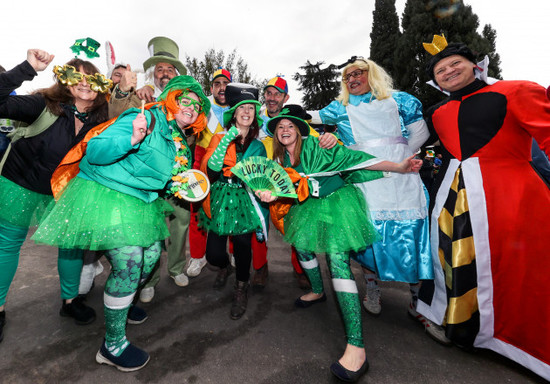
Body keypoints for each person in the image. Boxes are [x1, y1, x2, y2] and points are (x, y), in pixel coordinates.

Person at [32, 76, 210, 371]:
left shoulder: (178, 139)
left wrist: (177, 186)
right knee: (130, 262)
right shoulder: (146, 117)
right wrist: (132, 138)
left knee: (152, 256)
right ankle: (112, 345)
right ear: (172, 99)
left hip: (141, 201)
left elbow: (163, 179)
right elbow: (97, 150)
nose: (191, 106)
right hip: (108, 193)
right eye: (185, 99)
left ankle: (121, 306)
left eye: (197, 104)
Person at [257, 105, 422, 383]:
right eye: (279, 127)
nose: (284, 130)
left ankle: (356, 346)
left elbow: (355, 159)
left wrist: (399, 166)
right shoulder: (281, 158)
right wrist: (269, 194)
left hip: (338, 205)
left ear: (299, 129)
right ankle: (318, 291)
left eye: (289, 125)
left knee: (337, 260)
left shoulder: (319, 145)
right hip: (309, 206)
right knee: (302, 245)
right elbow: (282, 187)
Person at [417, 34, 550, 380]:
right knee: (456, 261)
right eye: (441, 69)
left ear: (476, 66)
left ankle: (516, 340)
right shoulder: (438, 112)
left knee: (519, 270)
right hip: (454, 199)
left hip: (512, 199)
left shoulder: (515, 90)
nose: (448, 72)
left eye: (454, 65)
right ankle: (463, 329)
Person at [311, 57, 441, 340]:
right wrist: (272, 113)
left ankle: (418, 302)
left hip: (403, 177)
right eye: (347, 77)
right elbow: (310, 117)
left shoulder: (402, 101)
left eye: (358, 73)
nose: (352, 79)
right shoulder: (340, 108)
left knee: (413, 236)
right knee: (368, 235)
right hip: (366, 182)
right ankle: (372, 289)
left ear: (373, 74)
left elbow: (420, 134)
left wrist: (393, 155)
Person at [0, 49, 110, 342]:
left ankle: (70, 301)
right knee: (8, 245)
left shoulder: (99, 121)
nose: (84, 83)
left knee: (71, 245)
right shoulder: (42, 104)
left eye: (92, 78)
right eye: (77, 76)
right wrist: (27, 68)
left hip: (62, 192)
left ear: (100, 86)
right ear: (65, 80)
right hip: (19, 183)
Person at [109, 37, 191, 303]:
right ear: (152, 75)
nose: (164, 74)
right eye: (159, 69)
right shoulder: (141, 97)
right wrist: (126, 91)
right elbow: (116, 114)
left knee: (181, 221)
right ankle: (149, 280)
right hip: (147, 179)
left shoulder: (186, 100)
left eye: (170, 69)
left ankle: (177, 268)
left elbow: (193, 136)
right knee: (152, 228)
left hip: (177, 177)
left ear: (176, 74)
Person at [258, 76, 338, 291]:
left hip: (291, 184)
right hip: (263, 183)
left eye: (277, 94)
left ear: (286, 97)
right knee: (260, 227)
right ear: (264, 95)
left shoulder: (297, 121)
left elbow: (317, 141)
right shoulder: (255, 118)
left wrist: (329, 138)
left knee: (297, 226)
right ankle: (260, 267)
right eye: (269, 93)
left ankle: (301, 270)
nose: (272, 98)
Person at [199, 83, 268, 319]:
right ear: (235, 114)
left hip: (244, 199)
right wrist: (227, 138)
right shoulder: (220, 136)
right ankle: (225, 267)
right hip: (220, 197)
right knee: (213, 255)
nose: (247, 111)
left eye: (251, 108)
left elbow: (260, 177)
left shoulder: (258, 146)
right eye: (242, 108)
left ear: (254, 115)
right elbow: (212, 170)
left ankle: (241, 285)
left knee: (242, 245)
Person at [187, 68, 232, 278]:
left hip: (230, 160)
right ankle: (197, 256)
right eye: (217, 84)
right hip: (202, 157)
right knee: (197, 209)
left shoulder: (239, 107)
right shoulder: (203, 107)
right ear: (211, 88)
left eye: (225, 83)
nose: (222, 88)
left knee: (232, 207)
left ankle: (232, 252)